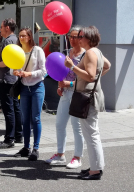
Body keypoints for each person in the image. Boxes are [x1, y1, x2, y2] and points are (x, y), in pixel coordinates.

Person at [64, 26, 111, 180]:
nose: (78, 38)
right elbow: (107, 66)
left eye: (81, 36)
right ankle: (96, 166)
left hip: (87, 97)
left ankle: (96, 171)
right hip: (91, 95)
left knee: (91, 135)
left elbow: (90, 76)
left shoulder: (90, 52)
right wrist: (97, 78)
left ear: (89, 38)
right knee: (92, 133)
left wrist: (73, 67)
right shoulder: (97, 51)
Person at [45, 26, 85, 168]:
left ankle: (77, 157)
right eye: (70, 36)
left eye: (75, 37)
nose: (72, 39)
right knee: (60, 124)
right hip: (65, 94)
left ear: (81, 38)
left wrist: (70, 84)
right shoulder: (66, 53)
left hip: (77, 94)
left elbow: (86, 79)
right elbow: (60, 73)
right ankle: (60, 154)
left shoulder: (85, 56)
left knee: (76, 127)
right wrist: (60, 86)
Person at [12, 28, 46, 161]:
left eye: (24, 36)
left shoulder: (37, 50)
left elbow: (43, 71)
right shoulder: (18, 51)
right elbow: (12, 68)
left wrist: (29, 74)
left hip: (37, 87)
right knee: (25, 119)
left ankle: (36, 148)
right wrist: (14, 72)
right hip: (24, 88)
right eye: (20, 36)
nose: (21, 38)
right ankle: (26, 147)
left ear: (29, 36)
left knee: (35, 118)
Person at [0, 18, 22, 149]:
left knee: (8, 109)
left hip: (7, 80)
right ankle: (19, 135)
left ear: (7, 27)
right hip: (13, 78)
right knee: (15, 107)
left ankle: (9, 139)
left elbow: (7, 61)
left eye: (1, 27)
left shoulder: (8, 41)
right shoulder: (16, 39)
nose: (0, 29)